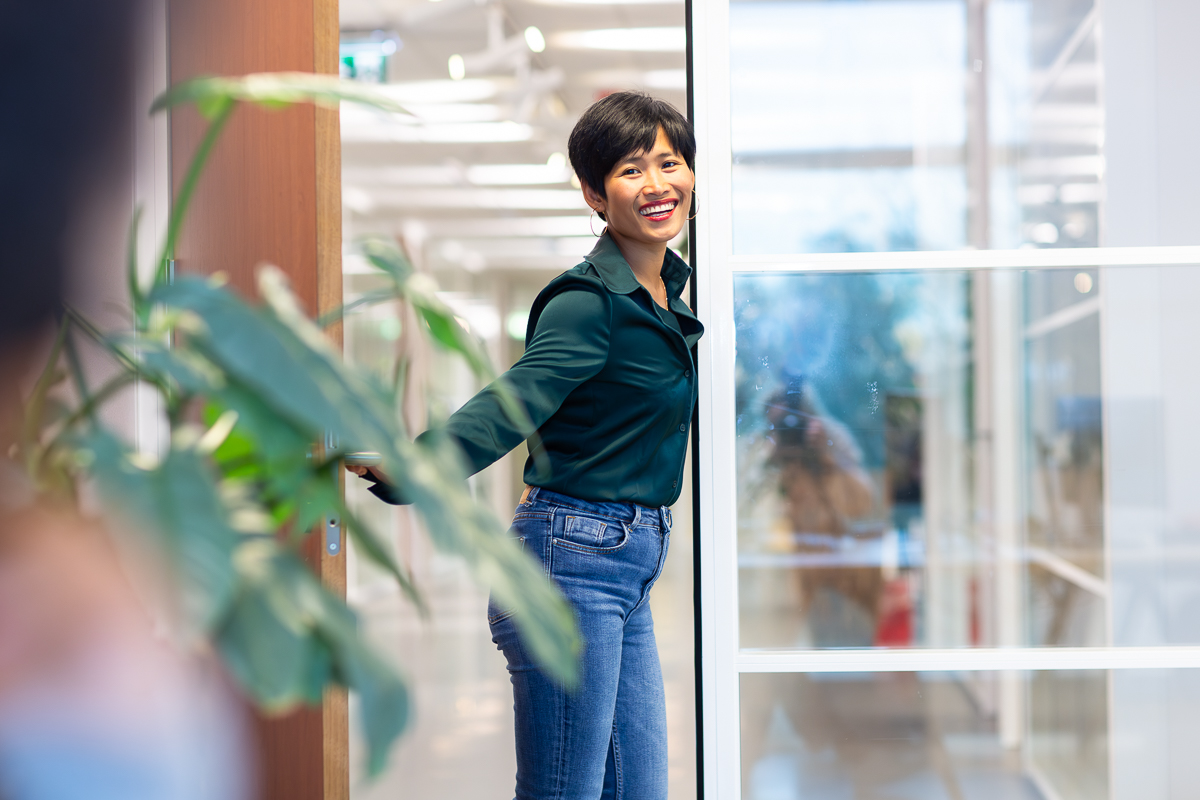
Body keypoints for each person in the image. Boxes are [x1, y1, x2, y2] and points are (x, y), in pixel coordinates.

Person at [354, 91, 701, 800]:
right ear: (594, 195)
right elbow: (515, 400)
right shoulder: (589, 302)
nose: (659, 184)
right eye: (633, 170)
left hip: (625, 566)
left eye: (670, 162)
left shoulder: (668, 292)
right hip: (570, 565)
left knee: (639, 789)